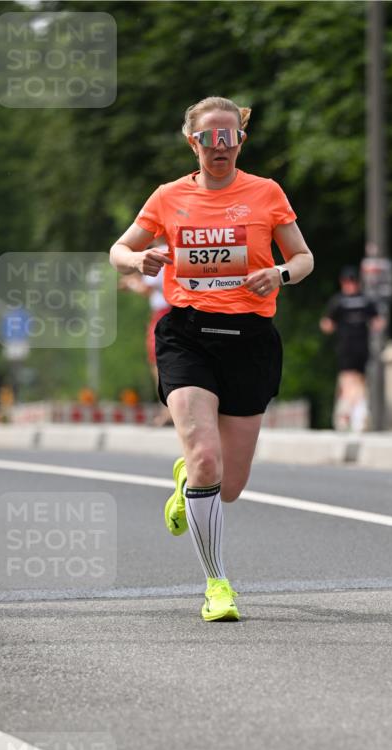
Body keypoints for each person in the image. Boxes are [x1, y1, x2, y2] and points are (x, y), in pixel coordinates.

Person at [110, 96, 313, 621]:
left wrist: (280, 274)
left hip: (249, 340)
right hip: (187, 334)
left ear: (240, 141)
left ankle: (189, 484)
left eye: (229, 138)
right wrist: (139, 257)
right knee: (205, 458)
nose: (219, 148)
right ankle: (217, 585)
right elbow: (119, 250)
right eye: (208, 138)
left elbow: (303, 257)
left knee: (231, 486)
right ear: (191, 140)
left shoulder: (265, 193)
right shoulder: (168, 197)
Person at [319, 267, 383, 432]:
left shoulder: (339, 301)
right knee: (353, 380)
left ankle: (347, 413)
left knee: (352, 380)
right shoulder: (366, 300)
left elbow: (327, 324)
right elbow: (378, 322)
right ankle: (357, 415)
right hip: (355, 346)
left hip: (350, 346)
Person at [118, 246, 173, 425]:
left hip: (164, 313)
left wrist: (131, 282)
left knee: (158, 361)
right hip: (181, 312)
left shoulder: (160, 251)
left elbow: (146, 288)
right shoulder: (180, 247)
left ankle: (168, 411)